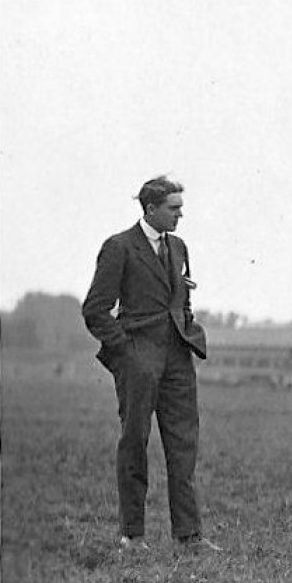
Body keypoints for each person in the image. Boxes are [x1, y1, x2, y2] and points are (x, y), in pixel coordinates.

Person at [80, 175, 216, 553]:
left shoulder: (180, 247)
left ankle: (189, 537)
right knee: (134, 443)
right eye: (173, 208)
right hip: (138, 360)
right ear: (150, 208)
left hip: (177, 359)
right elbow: (95, 309)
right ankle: (132, 536)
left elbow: (181, 301)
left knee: (184, 445)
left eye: (181, 208)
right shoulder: (119, 247)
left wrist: (187, 329)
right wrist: (125, 352)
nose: (180, 215)